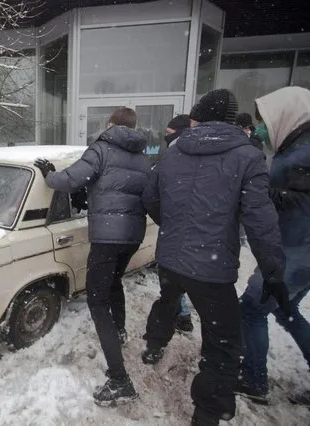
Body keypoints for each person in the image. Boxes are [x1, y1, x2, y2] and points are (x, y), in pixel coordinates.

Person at [140, 89, 287, 426]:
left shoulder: (173, 153)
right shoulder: (248, 157)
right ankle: (207, 414)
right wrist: (273, 272)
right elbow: (260, 220)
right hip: (211, 267)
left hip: (171, 257)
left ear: (197, 117)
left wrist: (173, 225)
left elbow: (149, 197)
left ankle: (153, 345)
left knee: (167, 299)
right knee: (222, 345)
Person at [34, 107, 150, 406]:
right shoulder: (142, 156)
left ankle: (119, 379)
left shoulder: (101, 148)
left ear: (111, 124)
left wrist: (49, 175)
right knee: (114, 282)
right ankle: (120, 330)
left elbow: (70, 180)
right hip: (132, 235)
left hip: (107, 236)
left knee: (97, 301)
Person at [236, 86, 310, 406]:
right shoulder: (295, 146)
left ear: (285, 115)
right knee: (286, 310)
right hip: (296, 249)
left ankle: (254, 379)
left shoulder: (303, 151)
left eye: (263, 119)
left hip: (295, 252)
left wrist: (265, 192)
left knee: (251, 310)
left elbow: (303, 204)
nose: (260, 126)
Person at [164, 114, 195, 333]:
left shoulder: (175, 157)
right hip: (198, 231)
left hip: (180, 229)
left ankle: (181, 316)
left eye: (169, 133)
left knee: (174, 278)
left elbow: (153, 196)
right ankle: (182, 316)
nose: (166, 138)